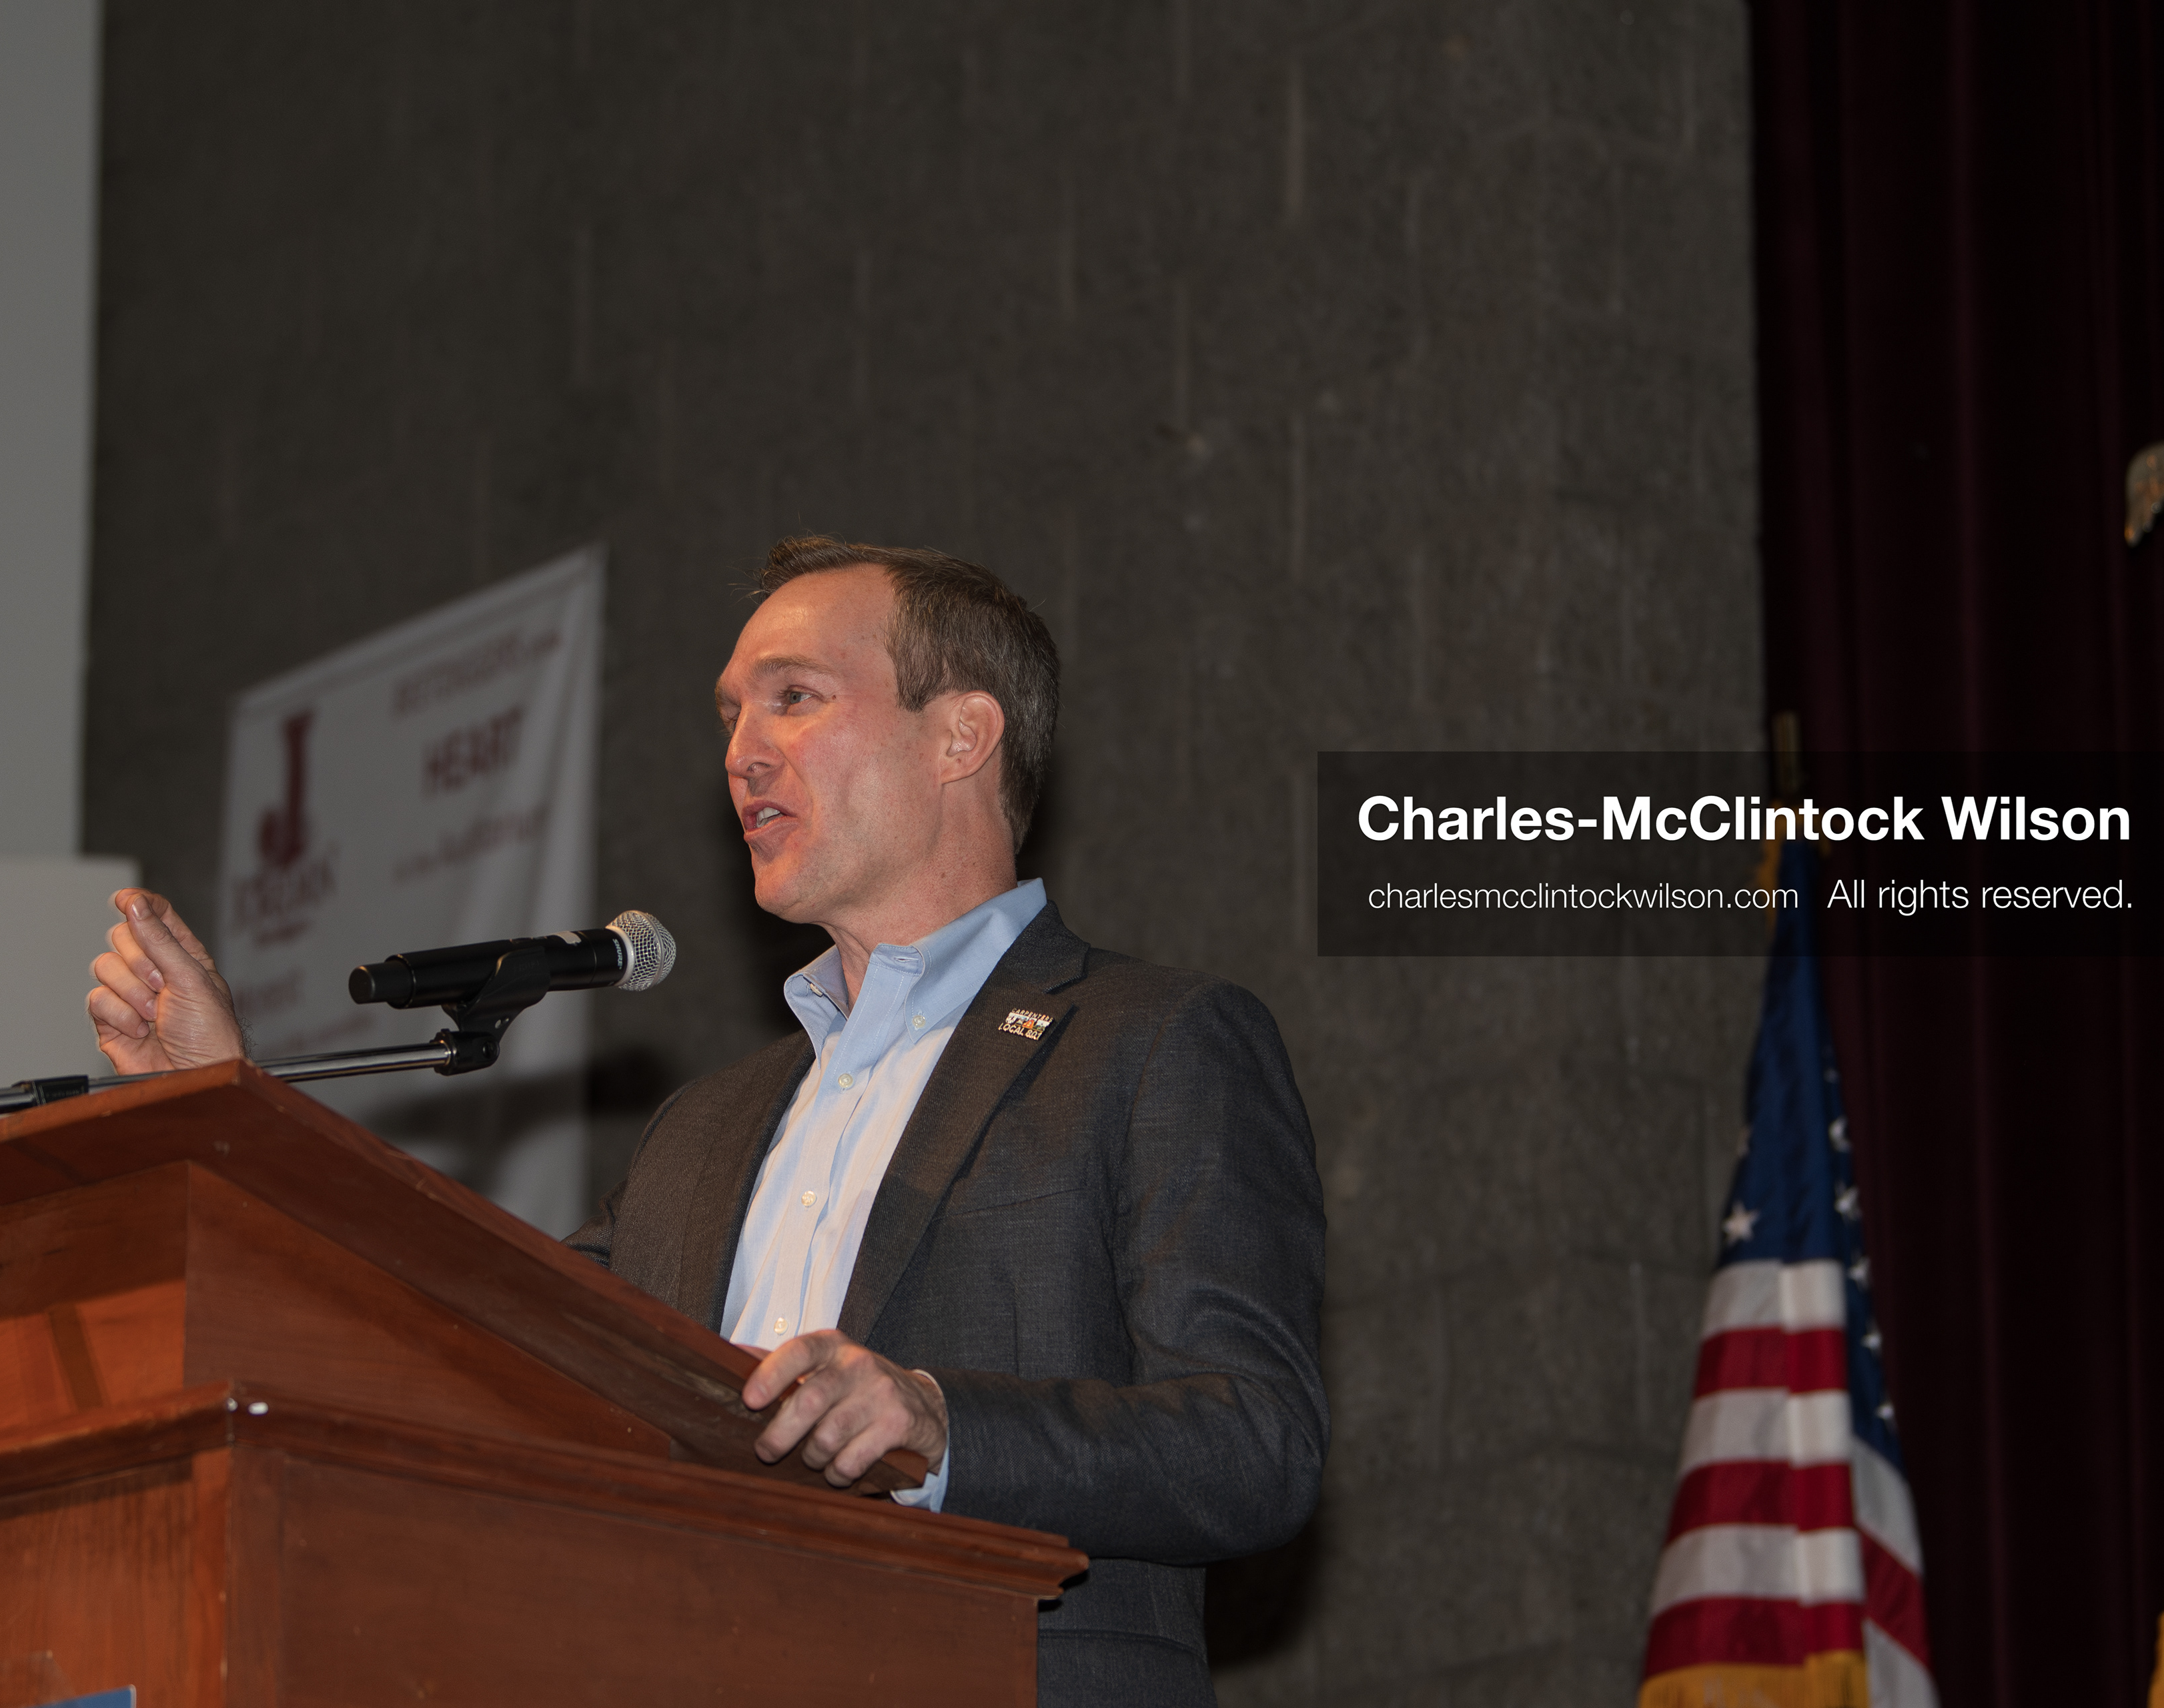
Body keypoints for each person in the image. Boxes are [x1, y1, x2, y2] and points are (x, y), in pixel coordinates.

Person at [85, 536, 1327, 1706]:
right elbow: (470, 1337)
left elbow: (1255, 1443)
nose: (739, 750)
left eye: (794, 697)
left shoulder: (1148, 1043)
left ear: (961, 735)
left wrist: (943, 1426)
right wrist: (224, 1112)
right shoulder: (706, 1130)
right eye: (731, 713)